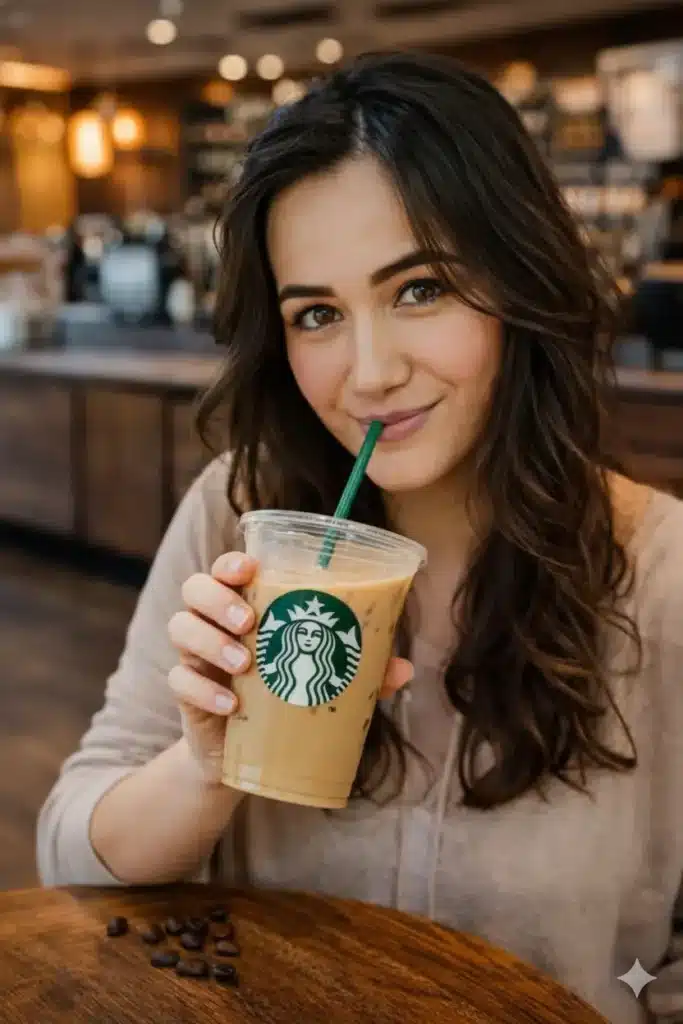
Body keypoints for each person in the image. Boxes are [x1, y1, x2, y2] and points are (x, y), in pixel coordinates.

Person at [38, 52, 683, 1024]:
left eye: (418, 289)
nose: (369, 372)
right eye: (318, 314)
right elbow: (71, 853)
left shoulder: (661, 574)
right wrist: (201, 767)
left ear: (514, 282)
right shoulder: (239, 516)